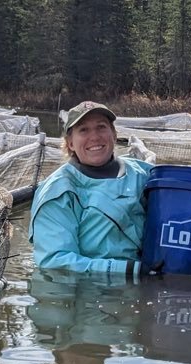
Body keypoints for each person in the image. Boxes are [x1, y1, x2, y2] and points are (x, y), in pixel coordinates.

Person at [28, 100, 153, 276]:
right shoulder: (58, 191)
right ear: (70, 143)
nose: (94, 137)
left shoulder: (144, 175)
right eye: (83, 130)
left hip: (148, 278)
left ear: (114, 135)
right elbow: (54, 262)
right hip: (93, 292)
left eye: (101, 127)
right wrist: (127, 270)